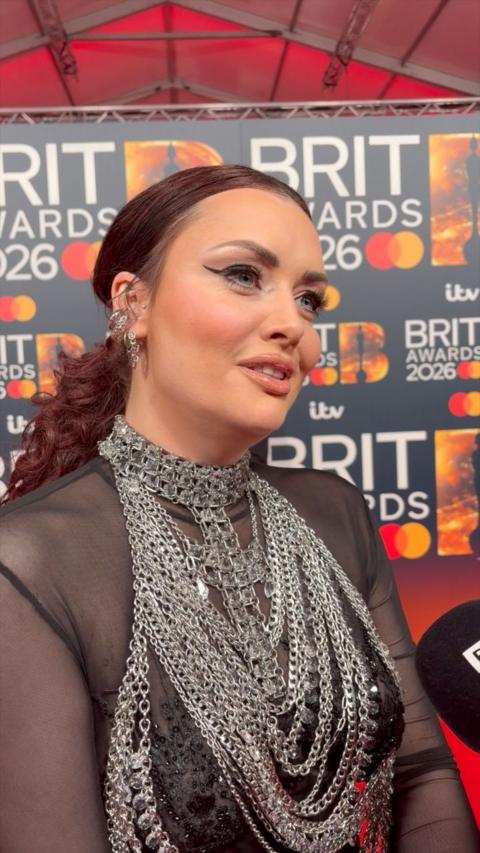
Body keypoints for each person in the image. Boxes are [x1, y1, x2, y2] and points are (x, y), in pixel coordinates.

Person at [0, 165, 478, 853]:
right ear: (132, 303)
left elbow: (422, 771)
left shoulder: (335, 513)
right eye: (243, 275)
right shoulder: (33, 563)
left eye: (310, 298)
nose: (292, 325)